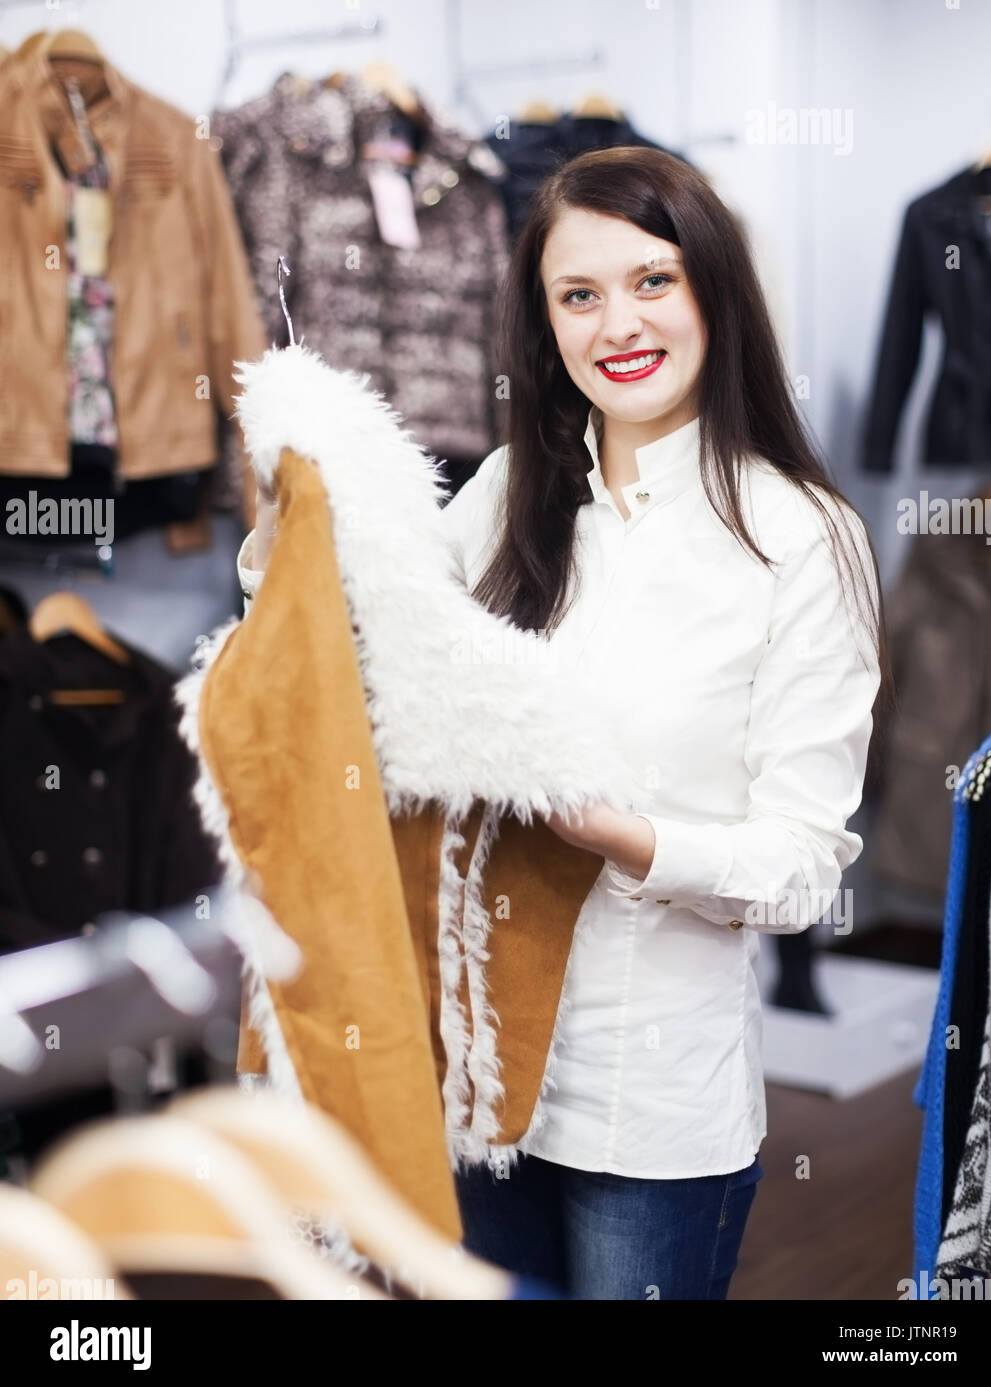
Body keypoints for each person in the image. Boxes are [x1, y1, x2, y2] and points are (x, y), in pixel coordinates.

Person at [245, 145, 892, 1300]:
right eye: (577, 295)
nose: (617, 324)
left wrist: (617, 834)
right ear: (544, 325)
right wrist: (295, 519)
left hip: (650, 1113)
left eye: (652, 280)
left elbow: (800, 868)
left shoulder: (801, 539)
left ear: (713, 290)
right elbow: (353, 639)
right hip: (477, 1076)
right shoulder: (508, 491)